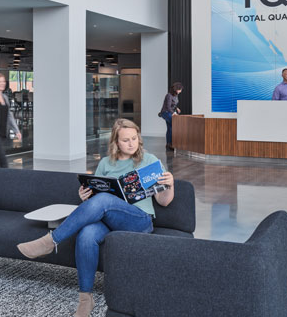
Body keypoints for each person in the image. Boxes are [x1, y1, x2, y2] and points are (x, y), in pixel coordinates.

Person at [16, 119, 175, 317]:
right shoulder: (106, 163)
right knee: (86, 234)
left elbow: (164, 201)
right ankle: (85, 298)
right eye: (125, 140)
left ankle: (50, 240)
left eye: (134, 138)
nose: (131, 143)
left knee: (104, 200)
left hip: (139, 221)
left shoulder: (150, 161)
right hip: (109, 220)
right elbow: (96, 195)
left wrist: (170, 184)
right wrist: (85, 196)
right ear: (116, 142)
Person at [159, 82, 182, 151]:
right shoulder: (169, 95)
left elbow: (173, 104)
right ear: (176, 89)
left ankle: (169, 144)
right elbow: (168, 107)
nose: (181, 91)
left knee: (170, 128)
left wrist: (177, 108)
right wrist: (173, 113)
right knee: (174, 125)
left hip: (170, 112)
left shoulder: (175, 95)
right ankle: (173, 143)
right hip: (165, 112)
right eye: (180, 89)